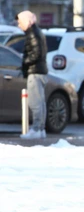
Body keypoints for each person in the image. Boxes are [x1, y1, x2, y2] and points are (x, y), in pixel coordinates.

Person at [16, 10, 48, 139]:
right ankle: (40, 129)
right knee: (40, 102)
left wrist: (25, 63)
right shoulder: (37, 32)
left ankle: (36, 129)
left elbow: (36, 54)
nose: (19, 25)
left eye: (20, 22)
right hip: (39, 71)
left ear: (27, 21)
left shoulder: (33, 34)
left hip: (34, 72)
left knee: (35, 102)